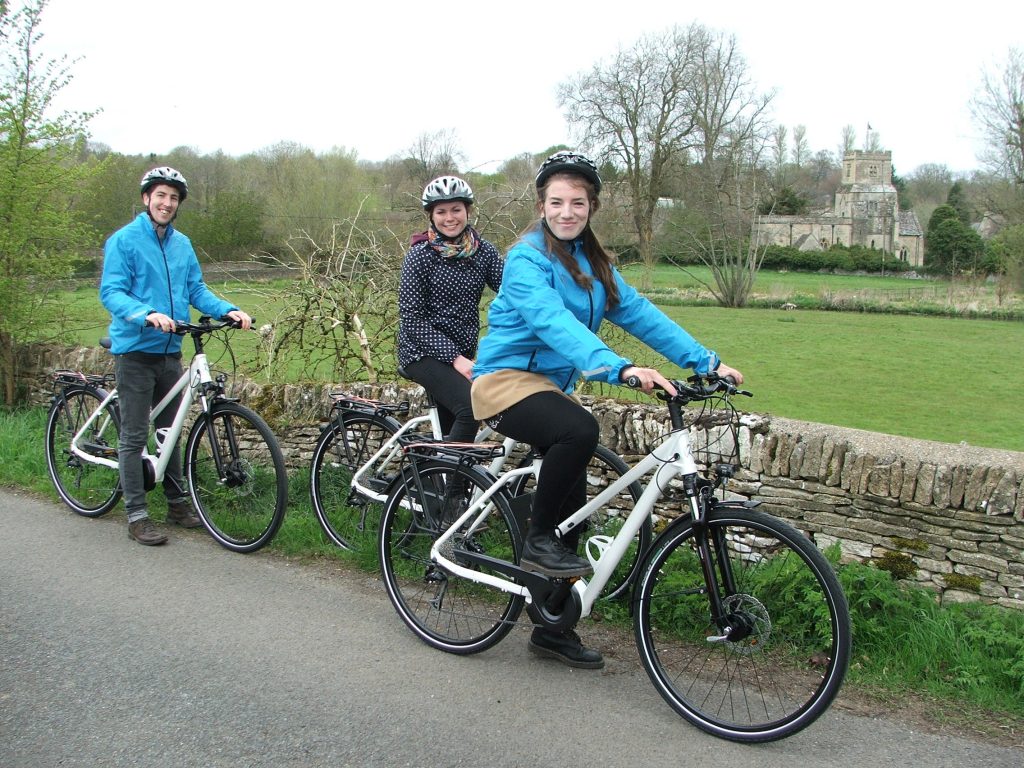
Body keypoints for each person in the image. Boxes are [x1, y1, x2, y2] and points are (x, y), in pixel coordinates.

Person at [471, 150, 743, 668]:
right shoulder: (526, 260)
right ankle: (534, 542)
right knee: (579, 429)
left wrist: (707, 362)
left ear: (592, 206)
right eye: (556, 202)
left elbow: (642, 315)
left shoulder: (595, 265)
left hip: (549, 388)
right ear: (541, 205)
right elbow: (552, 322)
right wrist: (617, 368)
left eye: (577, 202)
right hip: (502, 384)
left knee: (574, 512)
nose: (567, 212)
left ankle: (552, 626)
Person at [99, 166, 253, 546]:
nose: (167, 203)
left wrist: (227, 309)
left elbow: (195, 289)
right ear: (146, 199)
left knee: (171, 431)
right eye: (161, 196)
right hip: (135, 350)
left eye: (173, 198)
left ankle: (177, 503)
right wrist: (145, 315)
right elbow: (112, 292)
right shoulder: (124, 240)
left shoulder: (182, 244)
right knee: (135, 435)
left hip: (170, 351)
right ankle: (136, 515)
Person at [397, 175, 503, 444]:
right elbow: (412, 320)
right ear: (431, 216)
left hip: (463, 354)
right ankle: (451, 488)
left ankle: (434, 479)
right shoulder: (420, 255)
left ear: (468, 211)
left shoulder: (483, 252)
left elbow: (514, 290)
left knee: (451, 428)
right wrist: (455, 358)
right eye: (441, 211)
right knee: (470, 409)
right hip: (422, 353)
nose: (449, 218)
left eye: (456, 209)